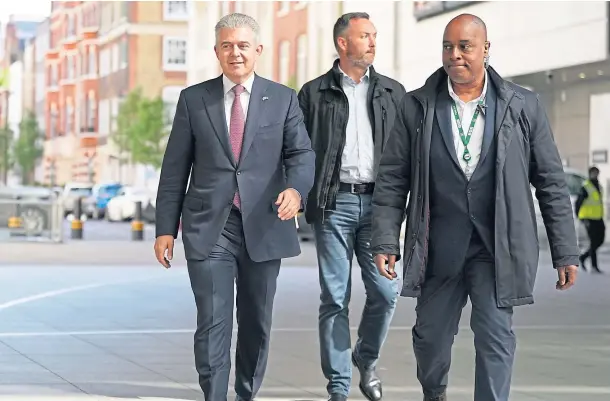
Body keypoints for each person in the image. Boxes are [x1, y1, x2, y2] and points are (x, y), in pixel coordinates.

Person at [370, 13, 579, 401]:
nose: (455, 55)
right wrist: (385, 240)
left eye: (465, 46)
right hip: (438, 247)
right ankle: (435, 393)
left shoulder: (523, 106)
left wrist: (565, 250)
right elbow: (393, 178)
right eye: (448, 47)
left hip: (496, 248)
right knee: (429, 342)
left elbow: (550, 181)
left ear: (486, 49)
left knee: (495, 338)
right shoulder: (416, 106)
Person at [153, 13, 315, 401]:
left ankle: (245, 393)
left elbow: (302, 155)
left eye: (243, 45)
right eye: (227, 45)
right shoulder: (194, 99)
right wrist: (164, 229)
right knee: (212, 321)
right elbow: (175, 169)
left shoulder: (282, 98)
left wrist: (295, 191)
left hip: (264, 224)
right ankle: (214, 396)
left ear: (257, 50)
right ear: (216, 51)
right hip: (211, 228)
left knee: (257, 322)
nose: (235, 53)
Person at [298, 12, 407, 401]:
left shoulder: (394, 92)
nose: (373, 42)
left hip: (381, 208)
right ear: (343, 43)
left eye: (374, 36)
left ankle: (366, 356)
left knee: (386, 292)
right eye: (365, 36)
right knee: (335, 296)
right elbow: (299, 151)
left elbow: (403, 156)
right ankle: (339, 387)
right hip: (334, 203)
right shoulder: (313, 93)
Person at [576, 166, 605, 273]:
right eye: (593, 173)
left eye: (597, 173)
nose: (595, 175)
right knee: (593, 241)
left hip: (598, 217)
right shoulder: (586, 187)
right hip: (588, 218)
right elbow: (578, 202)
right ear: (589, 174)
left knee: (600, 240)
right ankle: (594, 266)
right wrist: (580, 217)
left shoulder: (599, 186)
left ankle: (583, 257)